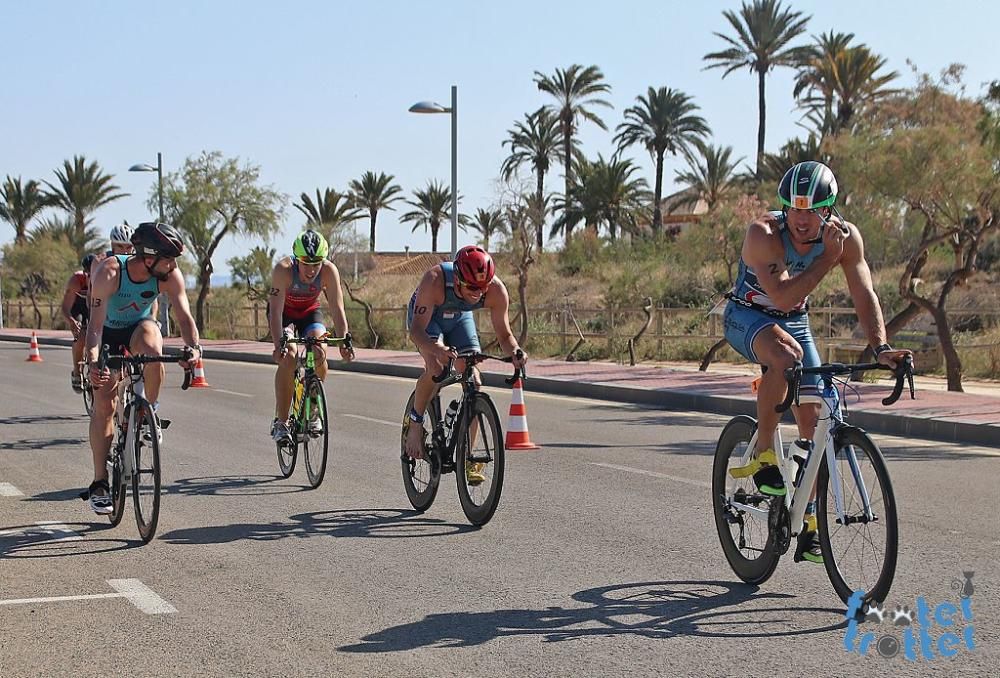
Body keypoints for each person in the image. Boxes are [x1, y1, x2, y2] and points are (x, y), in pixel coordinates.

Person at [722, 160, 911, 563]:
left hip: (795, 322)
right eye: (794, 208)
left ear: (829, 210)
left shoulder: (847, 238)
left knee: (818, 420)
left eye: (811, 210)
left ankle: (807, 517)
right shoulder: (764, 234)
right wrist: (826, 259)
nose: (801, 219)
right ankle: (764, 456)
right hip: (749, 315)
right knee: (785, 358)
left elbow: (864, 292)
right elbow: (784, 296)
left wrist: (880, 348)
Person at [83, 222, 201, 514]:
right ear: (148, 258)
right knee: (104, 404)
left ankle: (150, 410)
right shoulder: (110, 272)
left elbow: (185, 318)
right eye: (168, 259)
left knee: (153, 347)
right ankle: (100, 481)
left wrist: (194, 349)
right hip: (107, 334)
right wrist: (94, 361)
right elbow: (95, 328)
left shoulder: (169, 276)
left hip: (138, 329)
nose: (173, 265)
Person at [403, 245, 527, 484]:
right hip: (429, 321)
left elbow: (504, 335)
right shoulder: (434, 280)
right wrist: (437, 349)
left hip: (460, 319)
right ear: (458, 278)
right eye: (471, 287)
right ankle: (415, 423)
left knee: (473, 379)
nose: (478, 294)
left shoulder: (495, 290)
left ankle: (469, 457)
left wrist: (516, 352)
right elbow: (416, 332)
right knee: (436, 369)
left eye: (483, 288)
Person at [267, 229, 354, 443]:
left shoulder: (329, 271)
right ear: (297, 260)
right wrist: (279, 344)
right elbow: (275, 312)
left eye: (317, 263)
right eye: (306, 263)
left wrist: (344, 340)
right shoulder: (283, 270)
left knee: (320, 350)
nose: (312, 269)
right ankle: (282, 421)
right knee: (289, 356)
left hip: (309, 312)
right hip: (284, 314)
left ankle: (313, 409)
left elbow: (337, 308)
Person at [61, 254, 97, 393]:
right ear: (85, 273)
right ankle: (77, 372)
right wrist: (71, 321)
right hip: (78, 307)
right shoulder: (76, 281)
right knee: (81, 337)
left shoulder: (105, 278)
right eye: (89, 275)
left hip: (95, 305)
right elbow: (65, 307)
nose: (92, 278)